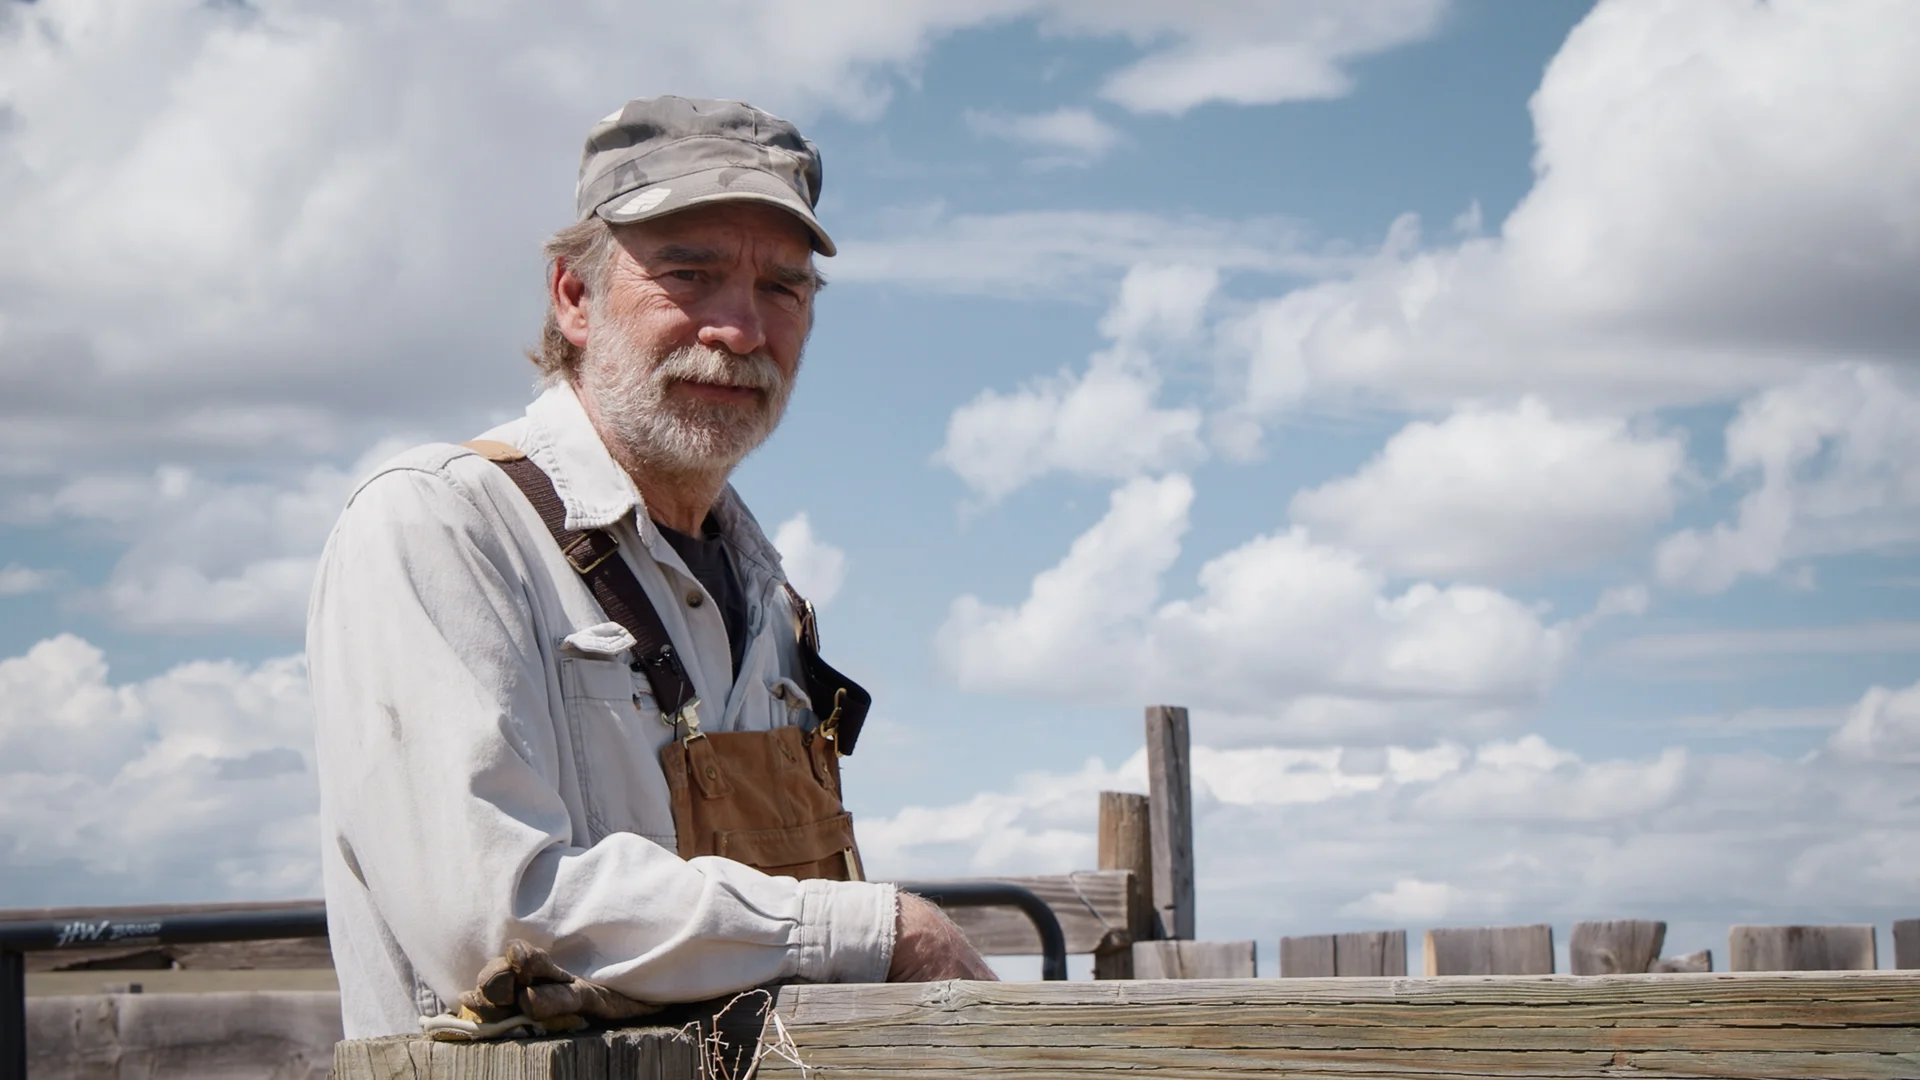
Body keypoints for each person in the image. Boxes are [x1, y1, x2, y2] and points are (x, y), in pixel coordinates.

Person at [308, 96, 992, 1040]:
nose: (741, 329)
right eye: (690, 275)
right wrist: (886, 931)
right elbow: (495, 919)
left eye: (783, 290)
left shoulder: (767, 596)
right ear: (574, 298)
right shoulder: (441, 523)